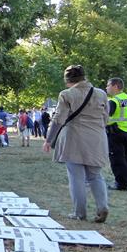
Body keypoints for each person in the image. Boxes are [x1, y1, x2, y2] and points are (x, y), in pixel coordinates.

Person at [43, 65, 109, 222]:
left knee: (76, 177)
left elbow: (58, 119)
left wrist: (48, 140)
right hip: (97, 137)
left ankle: (79, 213)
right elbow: (105, 117)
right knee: (95, 176)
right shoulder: (101, 93)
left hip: (74, 138)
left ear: (68, 80)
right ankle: (102, 206)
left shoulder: (67, 94)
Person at [105, 77, 127, 191]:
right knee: (126, 157)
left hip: (116, 132)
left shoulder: (114, 101)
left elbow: (105, 116)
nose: (106, 88)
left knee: (117, 158)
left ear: (115, 86)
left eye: (108, 85)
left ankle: (120, 184)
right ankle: (126, 181)